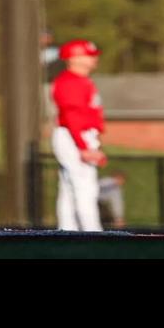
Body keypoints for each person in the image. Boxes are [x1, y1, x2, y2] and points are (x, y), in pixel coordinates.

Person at [51, 39, 106, 232]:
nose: (93, 58)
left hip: (77, 136)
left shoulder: (80, 80)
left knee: (69, 188)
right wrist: (83, 146)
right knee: (85, 187)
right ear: (74, 58)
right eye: (88, 55)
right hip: (73, 136)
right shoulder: (70, 81)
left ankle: (68, 232)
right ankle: (92, 233)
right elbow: (72, 115)